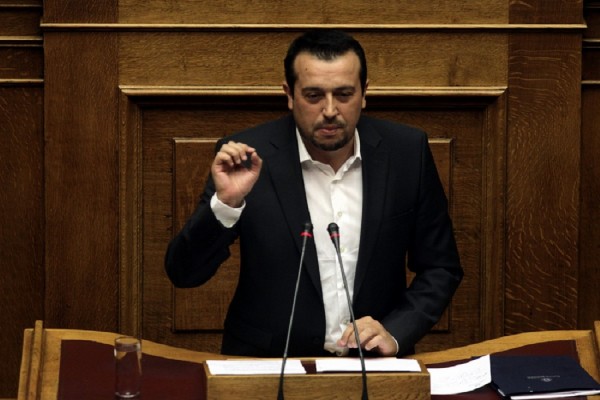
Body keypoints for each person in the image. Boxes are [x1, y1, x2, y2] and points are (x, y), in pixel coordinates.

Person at [165, 29, 463, 358]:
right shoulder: (248, 158)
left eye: (344, 94)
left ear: (364, 93)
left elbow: (441, 267)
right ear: (289, 94)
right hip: (268, 363)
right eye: (313, 95)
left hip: (372, 365)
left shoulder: (406, 152)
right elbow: (184, 273)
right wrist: (226, 204)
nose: (330, 110)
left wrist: (395, 332)